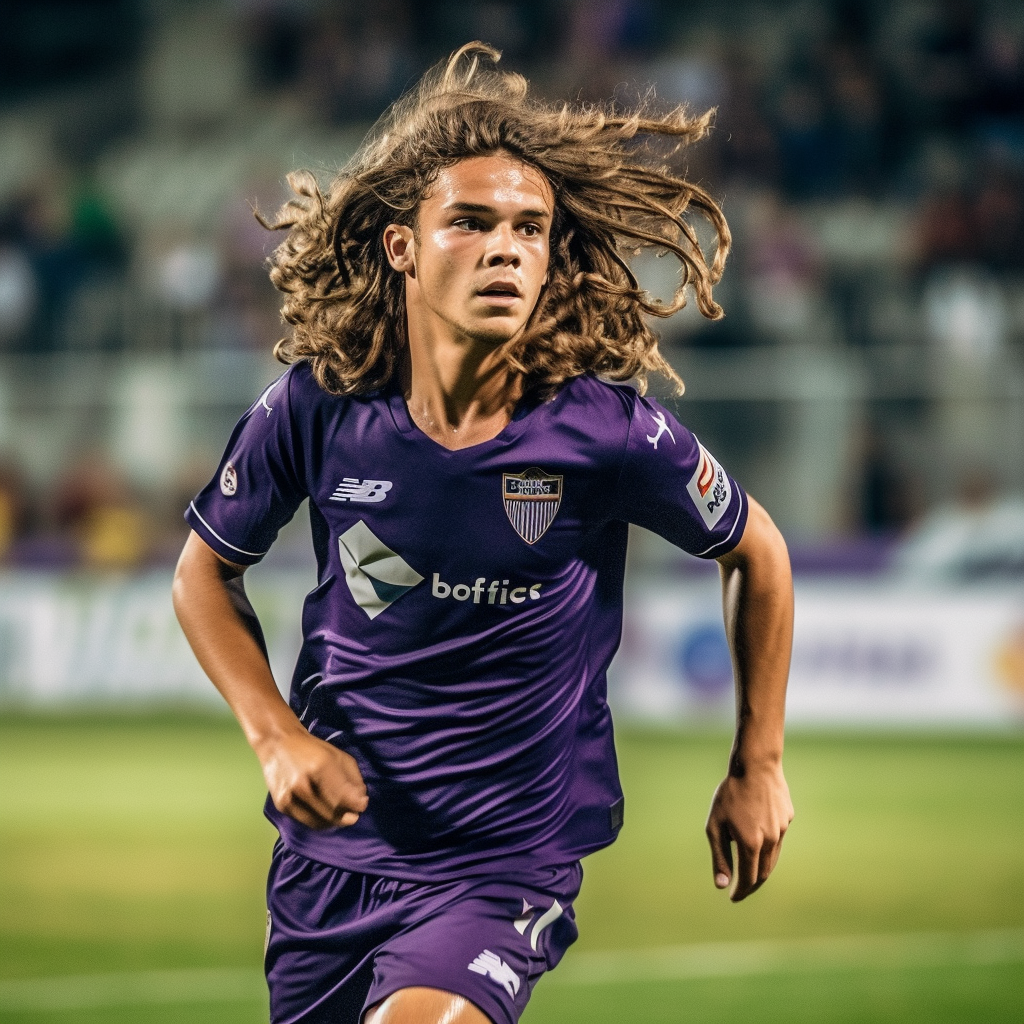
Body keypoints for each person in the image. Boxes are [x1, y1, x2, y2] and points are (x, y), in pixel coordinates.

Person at [173, 43, 794, 1024]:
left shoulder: (607, 430)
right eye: (468, 221)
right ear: (401, 247)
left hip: (507, 864)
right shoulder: (315, 409)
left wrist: (756, 764)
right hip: (328, 864)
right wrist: (276, 738)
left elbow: (754, 551)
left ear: (551, 257)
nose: (505, 246)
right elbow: (203, 573)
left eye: (529, 228)